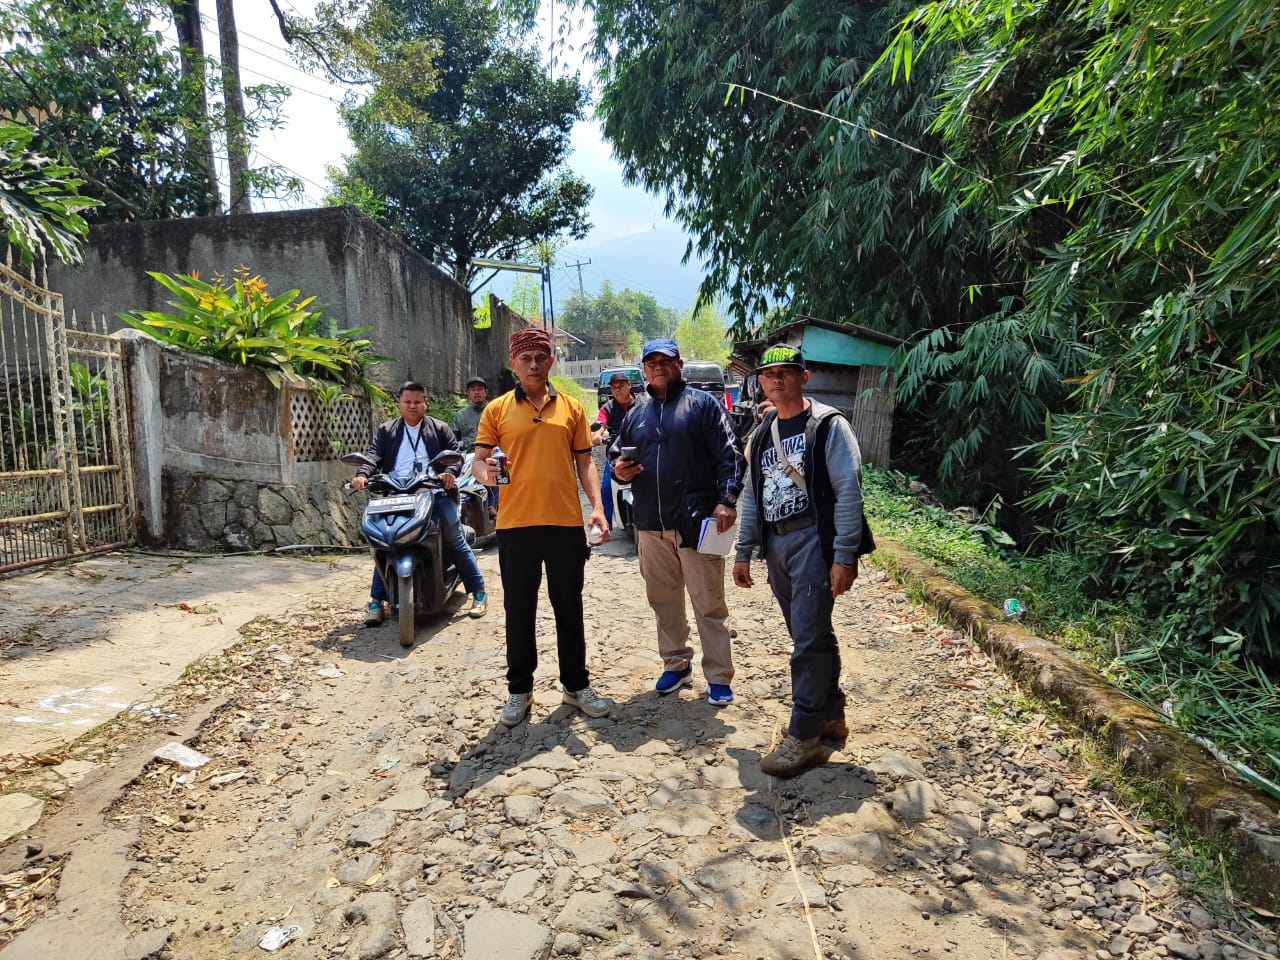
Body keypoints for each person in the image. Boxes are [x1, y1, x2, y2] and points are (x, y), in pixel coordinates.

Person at [731, 345, 865, 778]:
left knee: (807, 640)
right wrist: (745, 550)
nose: (776, 380)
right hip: (778, 545)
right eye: (769, 374)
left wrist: (843, 555)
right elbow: (751, 494)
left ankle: (804, 733)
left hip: (812, 541)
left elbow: (848, 491)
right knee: (811, 635)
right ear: (761, 381)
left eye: (786, 372)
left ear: (803, 376)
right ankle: (830, 717)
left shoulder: (828, 426)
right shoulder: (764, 428)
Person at [473, 328, 612, 727]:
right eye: (525, 358)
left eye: (541, 356)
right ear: (513, 364)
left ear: (552, 361)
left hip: (565, 523)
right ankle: (520, 689)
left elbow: (585, 463)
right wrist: (487, 476)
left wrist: (598, 508)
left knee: (569, 607)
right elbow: (480, 460)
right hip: (516, 526)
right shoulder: (496, 410)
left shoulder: (571, 408)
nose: (533, 364)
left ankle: (575, 684)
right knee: (519, 609)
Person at [612, 339, 744, 706]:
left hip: (696, 522)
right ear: (644, 368)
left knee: (709, 604)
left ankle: (718, 676)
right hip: (650, 526)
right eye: (651, 362)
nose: (658, 367)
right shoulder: (636, 413)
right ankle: (676, 664)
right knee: (664, 601)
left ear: (679, 364)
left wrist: (727, 500)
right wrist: (619, 471)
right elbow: (615, 457)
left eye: (665, 361)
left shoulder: (704, 406)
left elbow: (730, 455)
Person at [353, 381, 488, 624]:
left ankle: (478, 592)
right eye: (407, 402)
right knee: (385, 541)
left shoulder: (440, 428)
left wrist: (449, 473)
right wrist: (363, 475)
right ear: (399, 404)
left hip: (434, 493)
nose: (412, 406)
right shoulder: (387, 430)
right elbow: (373, 456)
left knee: (454, 539)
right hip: (397, 496)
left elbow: (454, 456)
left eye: (417, 402)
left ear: (426, 402)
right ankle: (376, 601)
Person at [590, 370, 638, 528]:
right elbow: (600, 426)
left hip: (642, 454)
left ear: (629, 385)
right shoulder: (608, 408)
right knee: (605, 490)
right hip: (616, 456)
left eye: (621, 386)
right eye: (614, 387)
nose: (617, 389)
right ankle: (605, 525)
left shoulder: (643, 404)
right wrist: (597, 436)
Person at [452, 376, 498, 518]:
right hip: (468, 455)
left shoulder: (494, 411)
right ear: (468, 393)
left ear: (485, 392)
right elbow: (454, 439)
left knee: (495, 468)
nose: (476, 392)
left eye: (479, 389)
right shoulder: (461, 415)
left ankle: (493, 504)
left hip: (492, 453)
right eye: (473, 390)